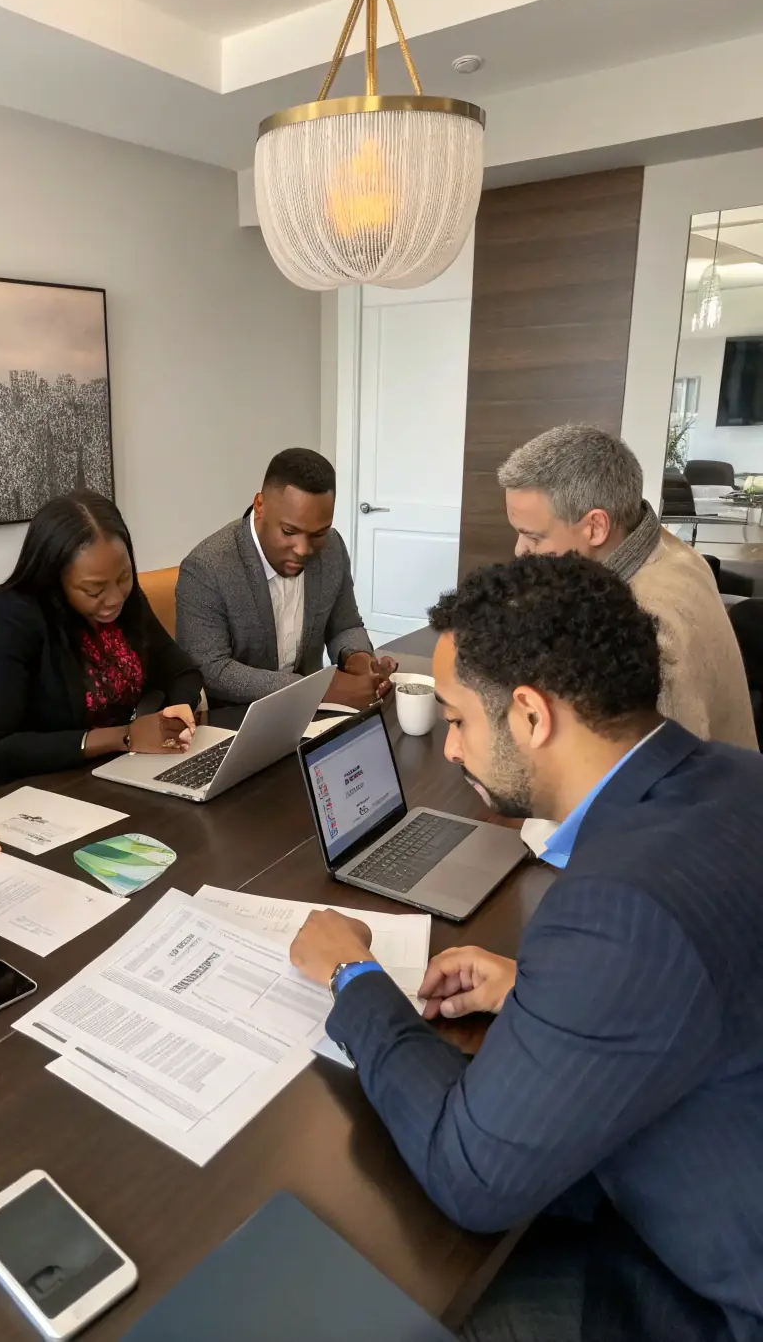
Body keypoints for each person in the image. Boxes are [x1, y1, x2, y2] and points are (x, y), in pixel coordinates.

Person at [289, 553, 763, 1342]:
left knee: (380, 1307)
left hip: (704, 1297)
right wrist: (537, 987)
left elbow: (469, 1173)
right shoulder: (739, 778)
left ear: (531, 717)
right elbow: (705, 983)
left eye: (458, 718)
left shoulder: (618, 909)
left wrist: (354, 974)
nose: (448, 747)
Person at [498, 422, 756, 749]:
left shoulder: (646, 628)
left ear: (595, 527)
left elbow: (648, 776)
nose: (520, 550)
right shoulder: (670, 551)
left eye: (534, 536)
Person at [0, 491, 203, 787]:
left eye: (124, 577)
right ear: (53, 577)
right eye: (93, 590)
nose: (115, 598)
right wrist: (124, 737)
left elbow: (182, 671)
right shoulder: (8, 618)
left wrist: (177, 711)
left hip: (120, 773)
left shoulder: (128, 603)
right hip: (39, 790)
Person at [175, 448, 395, 708]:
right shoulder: (206, 569)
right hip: (237, 723)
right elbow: (212, 670)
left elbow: (345, 626)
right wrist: (316, 689)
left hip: (317, 718)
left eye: (318, 533)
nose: (303, 549)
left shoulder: (332, 547)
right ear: (260, 506)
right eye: (289, 531)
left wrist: (360, 662)